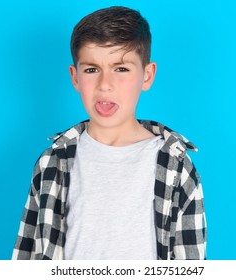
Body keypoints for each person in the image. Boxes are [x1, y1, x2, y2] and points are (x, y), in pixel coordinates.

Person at [12, 6, 206, 260]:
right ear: (75, 77)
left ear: (147, 76)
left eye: (121, 69)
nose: (105, 84)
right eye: (92, 70)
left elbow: (191, 263)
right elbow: (26, 254)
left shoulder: (176, 166)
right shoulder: (52, 162)